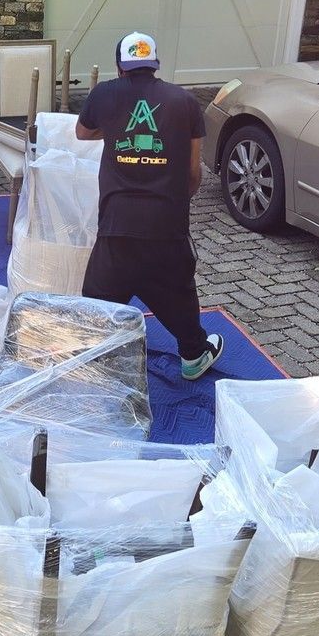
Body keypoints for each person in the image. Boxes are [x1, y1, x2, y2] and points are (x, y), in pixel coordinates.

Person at [75, 32, 224, 380]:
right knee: (178, 292)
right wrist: (174, 202)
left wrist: (113, 131)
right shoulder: (185, 102)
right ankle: (193, 355)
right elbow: (193, 173)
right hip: (166, 222)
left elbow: (82, 132)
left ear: (119, 67)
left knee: (97, 301)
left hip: (117, 222)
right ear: (155, 65)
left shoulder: (104, 95)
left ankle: (95, 364)